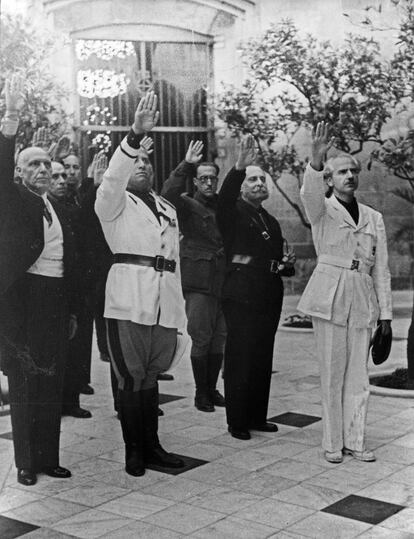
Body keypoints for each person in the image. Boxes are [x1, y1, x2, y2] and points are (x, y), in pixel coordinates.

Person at [95, 92, 186, 476]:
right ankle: (134, 450)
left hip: (163, 299)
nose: (143, 166)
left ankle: (153, 445)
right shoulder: (111, 202)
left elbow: (175, 262)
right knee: (131, 376)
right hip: (129, 298)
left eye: (148, 161)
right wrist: (133, 137)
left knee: (151, 374)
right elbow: (114, 176)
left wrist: (179, 308)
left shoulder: (168, 208)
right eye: (137, 161)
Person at [297, 121, 393, 463]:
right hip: (329, 296)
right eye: (342, 172)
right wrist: (317, 158)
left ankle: (356, 440)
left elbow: (381, 269)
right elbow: (308, 194)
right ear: (330, 179)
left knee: (358, 376)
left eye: (354, 170)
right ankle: (333, 444)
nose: (349, 176)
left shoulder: (373, 217)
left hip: (362, 297)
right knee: (332, 373)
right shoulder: (322, 210)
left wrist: (386, 316)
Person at [0, 75, 78, 486]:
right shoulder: (13, 199)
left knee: (52, 381)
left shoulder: (57, 204)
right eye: (34, 164)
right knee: (25, 383)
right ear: (18, 171)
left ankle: (49, 457)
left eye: (48, 163)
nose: (44, 169)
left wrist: (70, 310)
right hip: (23, 301)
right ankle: (27, 462)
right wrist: (11, 118)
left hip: (53, 300)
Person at [217, 135, 296, 440]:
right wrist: (237, 167)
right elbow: (222, 201)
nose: (259, 183)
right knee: (241, 356)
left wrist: (285, 265)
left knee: (263, 355)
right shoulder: (233, 211)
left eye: (262, 179)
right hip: (241, 294)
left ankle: (256, 416)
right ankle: (237, 420)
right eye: (252, 180)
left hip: (268, 293)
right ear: (240, 187)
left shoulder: (271, 220)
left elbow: (274, 261)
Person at [162, 141, 226, 412]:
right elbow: (168, 192)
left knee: (219, 335)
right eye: (203, 179)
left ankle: (212, 389)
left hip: (223, 280)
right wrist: (186, 165)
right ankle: (201, 393)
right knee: (201, 335)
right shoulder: (187, 205)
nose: (209, 183)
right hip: (199, 280)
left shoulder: (224, 205)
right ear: (196, 182)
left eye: (213, 178)